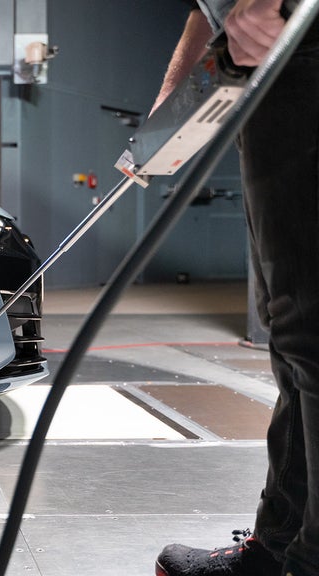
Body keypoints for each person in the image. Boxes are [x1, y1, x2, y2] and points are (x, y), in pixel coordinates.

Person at [153, 1, 319, 575]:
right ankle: (278, 549)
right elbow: (211, 6)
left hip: (301, 47)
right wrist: (172, 106)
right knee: (292, 333)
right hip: (271, 68)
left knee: (311, 328)